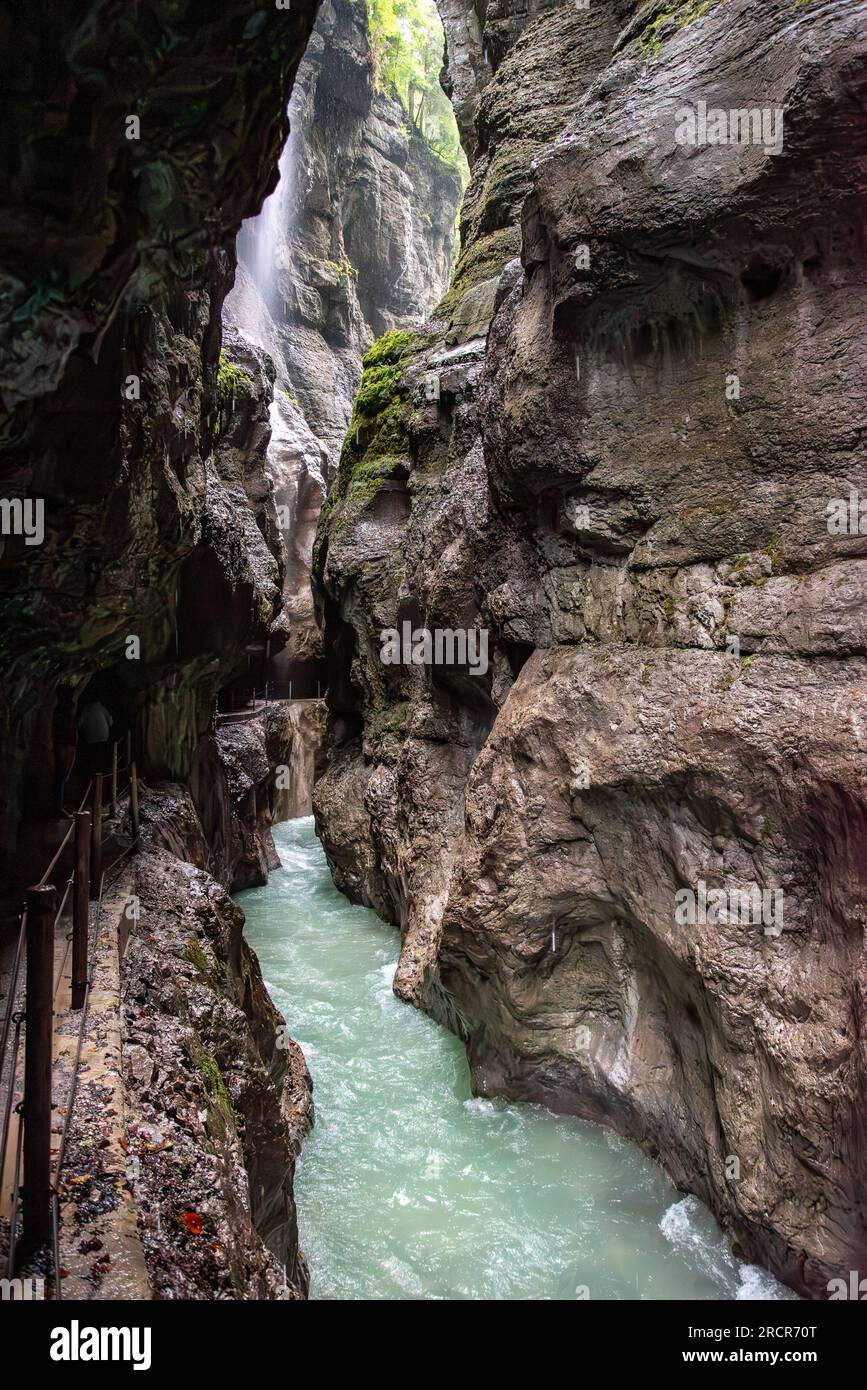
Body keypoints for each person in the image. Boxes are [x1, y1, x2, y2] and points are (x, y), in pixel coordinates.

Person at [51, 685, 77, 817]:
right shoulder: (64, 710)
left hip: (64, 744)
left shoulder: (59, 710)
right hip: (65, 745)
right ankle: (57, 807)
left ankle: (58, 805)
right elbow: (65, 729)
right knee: (61, 776)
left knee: (62, 776)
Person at [77, 697, 113, 778]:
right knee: (101, 759)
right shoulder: (102, 708)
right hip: (103, 738)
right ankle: (100, 777)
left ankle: (92, 778)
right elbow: (110, 722)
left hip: (90, 739)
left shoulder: (86, 709)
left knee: (92, 760)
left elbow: (79, 724)